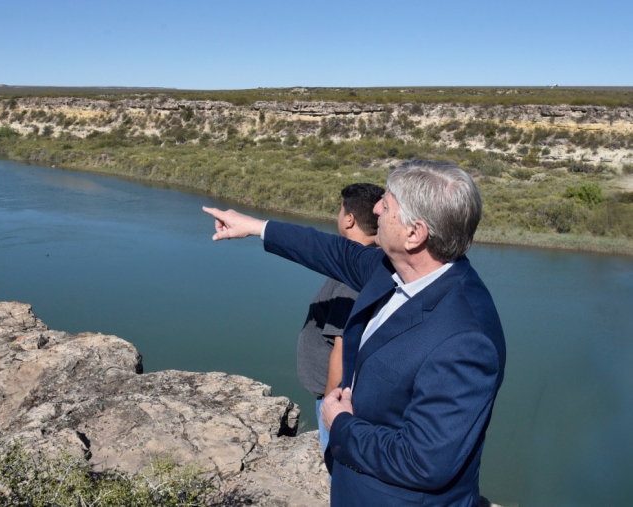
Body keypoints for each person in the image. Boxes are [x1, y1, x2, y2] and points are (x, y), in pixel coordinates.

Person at [203, 160, 505, 507]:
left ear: (414, 233)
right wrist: (256, 227)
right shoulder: (394, 271)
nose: (376, 208)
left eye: (387, 206)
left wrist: (341, 424)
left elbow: (425, 462)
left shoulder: (466, 339)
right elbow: (332, 251)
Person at [298, 183, 384, 457]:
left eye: (340, 209)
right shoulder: (365, 262)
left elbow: (343, 346)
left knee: (338, 466)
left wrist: (330, 406)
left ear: (349, 219)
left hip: (336, 398)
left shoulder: (353, 280)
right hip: (338, 394)